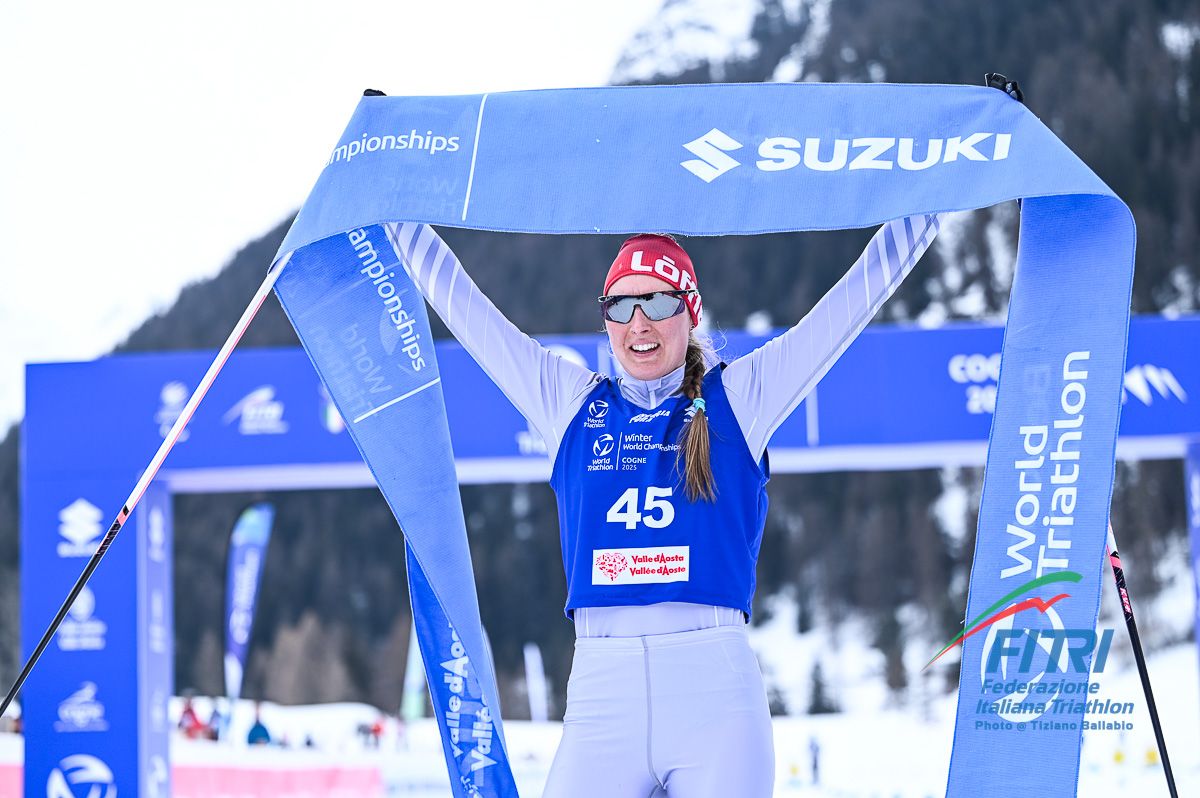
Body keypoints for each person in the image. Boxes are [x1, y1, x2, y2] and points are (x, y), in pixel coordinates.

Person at [388, 216, 939, 797]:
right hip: (602, 696)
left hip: (715, 702)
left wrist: (931, 204)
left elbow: (848, 306)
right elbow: (468, 310)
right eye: (620, 307)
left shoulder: (741, 397)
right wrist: (390, 215)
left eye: (656, 301)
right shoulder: (569, 404)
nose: (639, 323)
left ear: (690, 310)